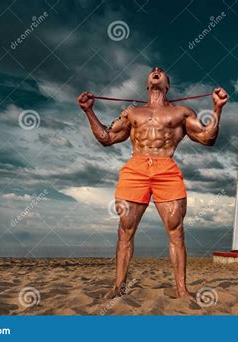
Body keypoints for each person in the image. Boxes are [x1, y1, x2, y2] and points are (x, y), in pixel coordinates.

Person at [78, 67, 228, 298]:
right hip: (135, 168)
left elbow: (207, 138)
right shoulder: (131, 112)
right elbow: (107, 138)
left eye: (161, 71)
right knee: (125, 230)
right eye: (152, 70)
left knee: (176, 230)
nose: (156, 70)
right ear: (147, 85)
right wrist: (89, 111)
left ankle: (181, 289)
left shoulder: (182, 111)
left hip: (166, 168)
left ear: (167, 84)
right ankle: (118, 287)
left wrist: (217, 108)